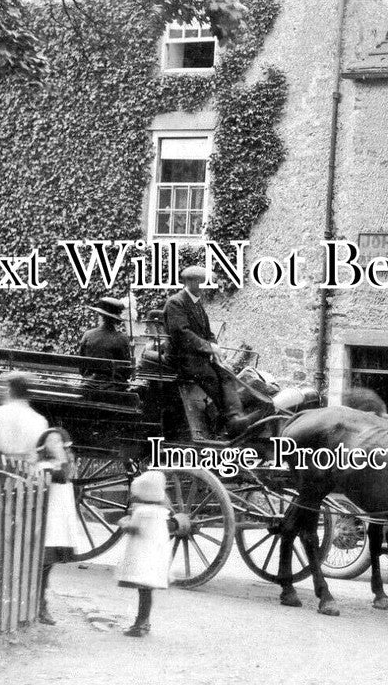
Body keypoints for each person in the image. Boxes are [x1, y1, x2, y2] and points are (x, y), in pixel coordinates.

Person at [163, 266, 244, 433]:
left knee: (226, 373)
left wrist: (215, 349)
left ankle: (235, 416)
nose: (207, 287)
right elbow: (181, 334)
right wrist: (209, 348)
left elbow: (208, 332)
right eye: (204, 283)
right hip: (182, 358)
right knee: (211, 378)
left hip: (197, 356)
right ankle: (226, 423)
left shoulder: (196, 301)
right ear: (191, 282)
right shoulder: (176, 302)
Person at [34, 427, 90, 625]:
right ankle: (40, 606)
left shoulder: (61, 464)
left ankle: (41, 605)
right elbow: (63, 475)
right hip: (47, 523)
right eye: (50, 441)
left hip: (58, 523)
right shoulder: (44, 465)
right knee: (42, 566)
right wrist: (61, 456)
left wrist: (63, 457)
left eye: (58, 441)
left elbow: (67, 473)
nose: (54, 445)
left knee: (46, 567)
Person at [115, 470, 171, 637]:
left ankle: (141, 623)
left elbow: (134, 529)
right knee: (146, 592)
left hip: (142, 558)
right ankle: (143, 622)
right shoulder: (161, 512)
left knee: (143, 591)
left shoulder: (141, 512)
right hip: (154, 558)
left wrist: (123, 523)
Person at [77, 297, 133, 387]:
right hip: (113, 389)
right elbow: (126, 371)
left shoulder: (88, 335)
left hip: (88, 386)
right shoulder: (122, 339)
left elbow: (82, 367)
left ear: (100, 316)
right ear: (116, 320)